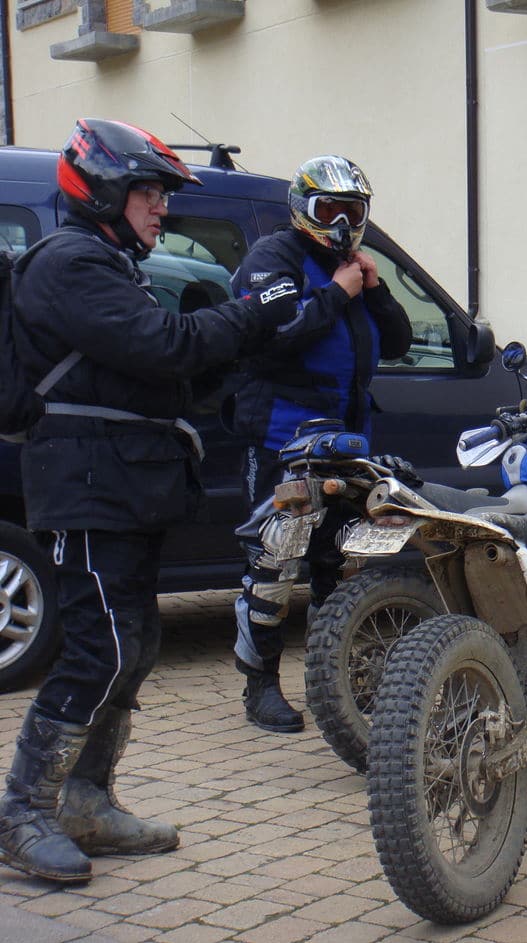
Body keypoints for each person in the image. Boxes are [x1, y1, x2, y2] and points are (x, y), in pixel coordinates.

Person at [0, 118, 301, 885]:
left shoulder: (107, 263)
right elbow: (166, 345)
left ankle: (88, 800)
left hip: (125, 484)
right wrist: (254, 311)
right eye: (147, 191)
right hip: (87, 487)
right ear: (100, 189)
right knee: (99, 651)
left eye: (161, 194)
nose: (160, 207)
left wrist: (237, 352)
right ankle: (21, 813)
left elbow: (158, 370)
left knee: (133, 648)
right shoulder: (69, 264)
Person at [228, 156, 411, 733]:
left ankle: (341, 681)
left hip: (348, 440)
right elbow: (269, 338)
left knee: (340, 562)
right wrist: (335, 293)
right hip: (283, 439)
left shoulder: (353, 268)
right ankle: (259, 687)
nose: (339, 222)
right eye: (327, 209)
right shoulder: (273, 259)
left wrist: (374, 291)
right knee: (273, 562)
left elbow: (401, 341)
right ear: (302, 210)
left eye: (350, 211)